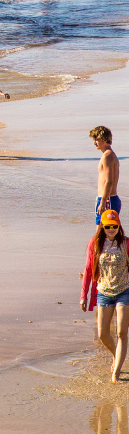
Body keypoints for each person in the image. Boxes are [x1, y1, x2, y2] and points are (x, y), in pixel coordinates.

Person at [81, 210, 129, 382]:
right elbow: (88, 270)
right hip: (104, 292)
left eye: (114, 226)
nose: (111, 229)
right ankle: (116, 354)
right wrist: (84, 295)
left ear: (119, 226)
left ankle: (116, 372)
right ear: (102, 226)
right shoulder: (94, 244)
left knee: (122, 332)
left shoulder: (126, 243)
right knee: (102, 334)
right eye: (108, 226)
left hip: (125, 290)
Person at [92, 126, 121, 224]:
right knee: (101, 234)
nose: (94, 142)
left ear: (105, 140)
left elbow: (109, 181)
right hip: (106, 198)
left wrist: (103, 202)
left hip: (108, 199)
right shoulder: (108, 155)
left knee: (105, 233)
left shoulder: (107, 156)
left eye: (97, 140)